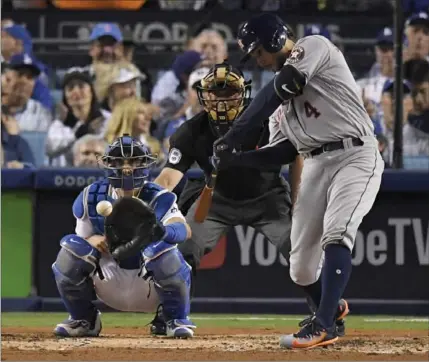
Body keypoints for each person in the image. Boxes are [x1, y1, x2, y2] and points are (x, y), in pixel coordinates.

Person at [214, 13, 384, 349]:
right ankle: (331, 310)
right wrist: (237, 159)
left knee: (337, 231)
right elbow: (283, 152)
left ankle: (321, 325)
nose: (258, 59)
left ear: (275, 39)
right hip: (316, 163)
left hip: (355, 153)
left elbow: (284, 85)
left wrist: (236, 134)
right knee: (301, 268)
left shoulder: (313, 47)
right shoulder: (280, 109)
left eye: (259, 51)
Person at [153, 62, 302, 334]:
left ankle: (327, 312)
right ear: (203, 96)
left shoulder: (269, 119)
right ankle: (171, 313)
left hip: (268, 197)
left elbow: (297, 154)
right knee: (183, 248)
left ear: (243, 94)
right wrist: (144, 206)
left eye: (229, 93)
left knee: (300, 248)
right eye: (215, 93)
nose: (221, 100)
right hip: (217, 198)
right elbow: (168, 178)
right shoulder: (191, 130)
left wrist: (300, 200)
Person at [52, 135, 196, 338]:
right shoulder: (91, 196)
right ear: (108, 164)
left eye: (134, 161)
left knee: (163, 249)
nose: (127, 168)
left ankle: (174, 319)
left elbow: (184, 230)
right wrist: (92, 240)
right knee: (70, 248)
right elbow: (80, 240)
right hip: (109, 278)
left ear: (145, 163)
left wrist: (164, 232)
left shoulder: (158, 196)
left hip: (148, 282)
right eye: (119, 162)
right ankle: (83, 319)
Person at [46, 68, 111, 167]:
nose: (76, 91)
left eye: (81, 86)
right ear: (65, 96)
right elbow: (50, 149)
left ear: (91, 91)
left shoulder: (108, 119)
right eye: (70, 88)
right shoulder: (59, 123)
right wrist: (78, 132)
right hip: (65, 176)